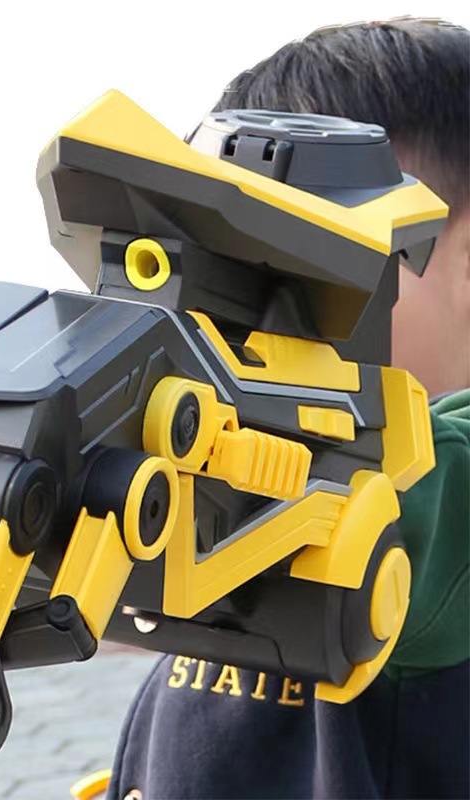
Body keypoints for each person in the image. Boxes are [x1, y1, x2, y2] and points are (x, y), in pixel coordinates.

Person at [107, 18, 469, 800]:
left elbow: (417, 503)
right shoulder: (226, 440)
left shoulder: (444, 487)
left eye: (311, 263)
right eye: (223, 263)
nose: (254, 316)